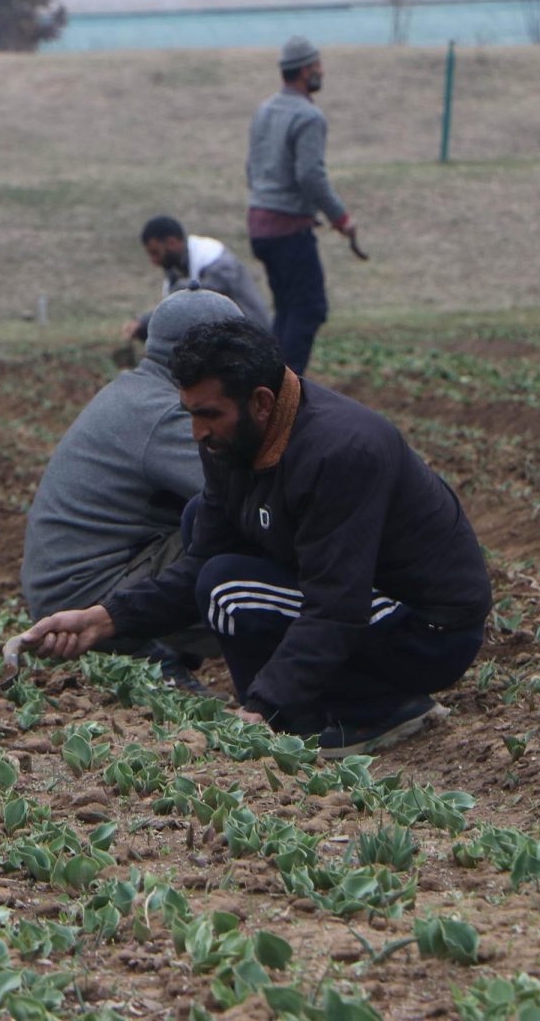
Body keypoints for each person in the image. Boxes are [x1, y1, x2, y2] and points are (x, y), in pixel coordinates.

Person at [16, 317, 492, 759]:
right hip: (366, 604)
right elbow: (201, 559)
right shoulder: (231, 442)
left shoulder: (341, 451)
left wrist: (263, 709)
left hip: (429, 631)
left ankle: (364, 714)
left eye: (208, 414)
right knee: (205, 537)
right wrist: (106, 618)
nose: (197, 432)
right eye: (190, 413)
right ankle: (313, 707)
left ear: (262, 401)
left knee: (230, 590)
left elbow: (336, 606)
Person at [24, 288, 243, 689]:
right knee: (247, 537)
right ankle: (150, 652)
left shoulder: (138, 389)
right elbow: (249, 492)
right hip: (86, 596)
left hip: (68, 588)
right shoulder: (165, 412)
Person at [245, 36, 356, 375]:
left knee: (286, 310)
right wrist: (341, 218)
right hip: (288, 229)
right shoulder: (309, 116)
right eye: (318, 65)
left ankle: (266, 383)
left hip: (259, 226)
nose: (322, 70)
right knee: (309, 308)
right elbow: (310, 176)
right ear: (306, 70)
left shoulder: (265, 110)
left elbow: (251, 167)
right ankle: (283, 394)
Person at [120, 216, 272, 344]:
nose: (154, 261)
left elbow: (191, 305)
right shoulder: (179, 266)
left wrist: (146, 323)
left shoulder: (216, 263)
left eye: (155, 253)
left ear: (172, 243)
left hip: (253, 343)